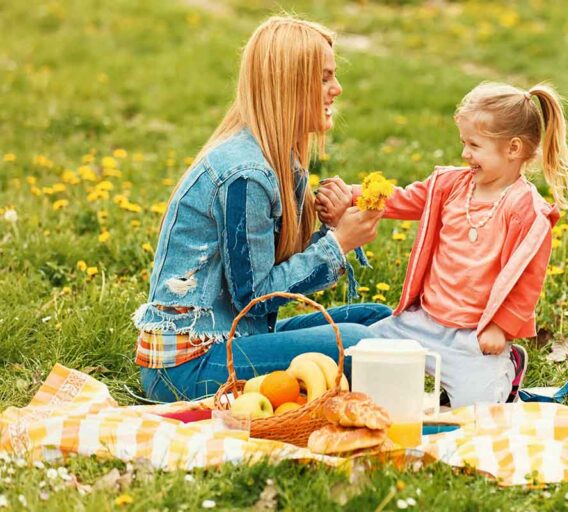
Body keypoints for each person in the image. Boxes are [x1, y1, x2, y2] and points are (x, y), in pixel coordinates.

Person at [133, 16, 391, 403]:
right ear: (289, 85)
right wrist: (338, 245)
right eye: (323, 78)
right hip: (187, 366)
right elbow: (255, 296)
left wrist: (331, 229)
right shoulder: (246, 174)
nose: (336, 89)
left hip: (237, 338)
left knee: (378, 318)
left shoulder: (277, 158)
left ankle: (459, 373)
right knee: (361, 343)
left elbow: (263, 270)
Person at [316, 82, 568, 407]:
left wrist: (501, 327)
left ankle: (506, 368)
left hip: (472, 336)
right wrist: (355, 195)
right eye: (463, 143)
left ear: (513, 149)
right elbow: (403, 199)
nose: (465, 154)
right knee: (362, 360)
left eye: (474, 145)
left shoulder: (526, 210)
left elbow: (529, 279)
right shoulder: (449, 185)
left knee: (477, 410)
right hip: (421, 321)